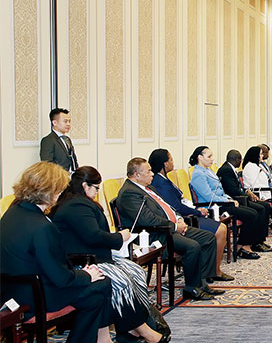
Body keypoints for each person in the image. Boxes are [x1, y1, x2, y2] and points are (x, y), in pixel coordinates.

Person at [51, 166, 170, 343]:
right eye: (96, 188)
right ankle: (140, 329)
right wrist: (119, 237)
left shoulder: (78, 202)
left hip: (95, 256)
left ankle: (134, 328)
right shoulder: (76, 206)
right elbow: (93, 236)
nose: (97, 192)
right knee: (121, 281)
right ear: (85, 186)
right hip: (83, 262)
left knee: (135, 271)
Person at [0, 162, 112, 343]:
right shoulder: (42, 227)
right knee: (102, 283)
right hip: (36, 297)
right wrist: (87, 275)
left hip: (10, 292)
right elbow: (61, 278)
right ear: (50, 192)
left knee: (94, 298)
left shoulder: (12, 213)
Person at [116, 157, 220, 301]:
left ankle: (202, 283)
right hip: (155, 233)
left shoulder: (149, 188)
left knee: (208, 238)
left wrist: (178, 219)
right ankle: (192, 288)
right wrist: (175, 227)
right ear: (137, 175)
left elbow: (168, 207)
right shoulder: (129, 193)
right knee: (192, 246)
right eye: (148, 171)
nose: (152, 174)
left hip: (170, 227)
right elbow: (147, 220)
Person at [148, 148, 234, 280]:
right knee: (220, 230)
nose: (173, 162)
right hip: (184, 219)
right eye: (171, 159)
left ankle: (211, 270)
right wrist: (196, 211)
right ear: (165, 163)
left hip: (186, 214)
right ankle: (214, 271)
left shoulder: (164, 179)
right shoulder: (160, 183)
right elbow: (176, 207)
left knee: (220, 229)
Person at [189, 146, 265, 258]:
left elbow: (220, 191)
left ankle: (243, 244)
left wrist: (229, 199)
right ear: (200, 157)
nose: (212, 159)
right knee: (251, 215)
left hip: (222, 203)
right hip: (213, 207)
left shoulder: (207, 171)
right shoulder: (198, 174)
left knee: (253, 211)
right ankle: (242, 246)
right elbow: (209, 196)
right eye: (209, 156)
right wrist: (227, 201)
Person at [39, 107, 79, 172]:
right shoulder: (48, 140)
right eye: (65, 121)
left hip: (72, 175)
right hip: (58, 176)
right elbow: (47, 164)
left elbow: (73, 159)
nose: (68, 124)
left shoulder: (67, 139)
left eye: (69, 121)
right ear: (54, 123)